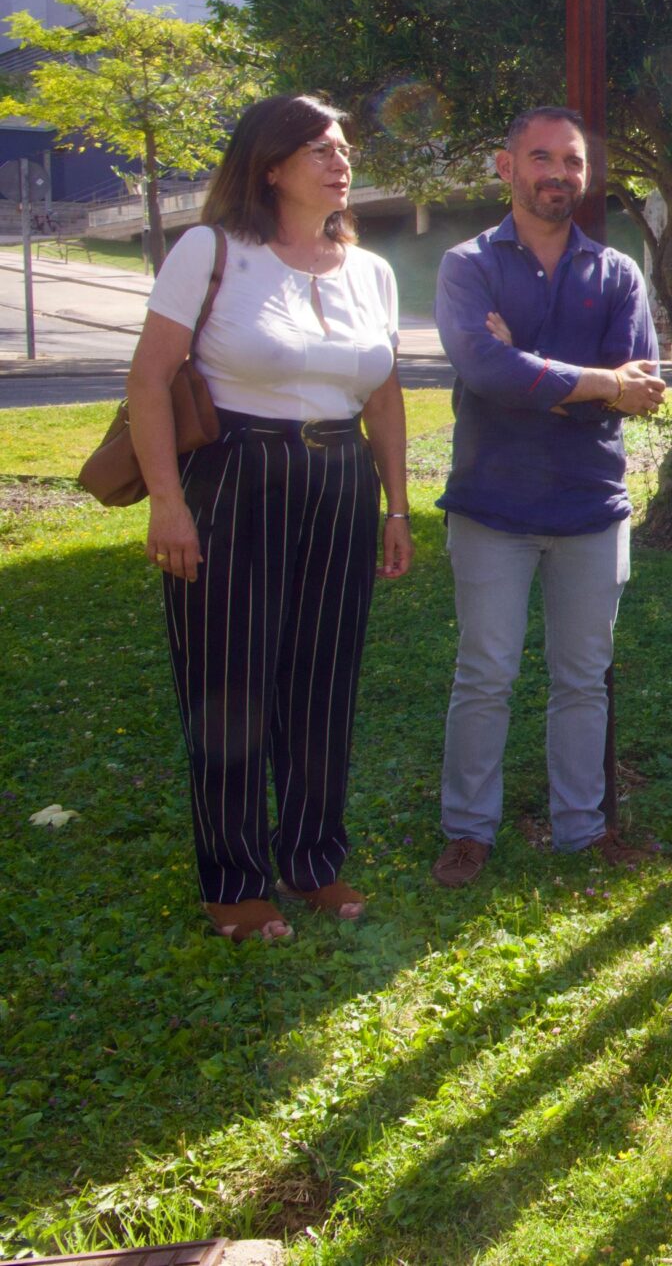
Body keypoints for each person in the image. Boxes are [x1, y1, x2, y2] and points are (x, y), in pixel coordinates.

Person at [130, 95, 411, 942]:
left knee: (322, 682)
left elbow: (386, 392)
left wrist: (397, 505)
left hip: (340, 481)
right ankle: (235, 879)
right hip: (234, 475)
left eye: (344, 146)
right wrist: (169, 504)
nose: (339, 159)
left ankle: (312, 859)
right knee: (229, 682)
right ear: (270, 165)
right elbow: (149, 383)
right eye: (317, 147)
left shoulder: (372, 271)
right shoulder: (211, 251)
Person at [430, 107, 664, 889]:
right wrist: (594, 382)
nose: (557, 174)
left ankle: (581, 829)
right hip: (491, 507)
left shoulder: (619, 273)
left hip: (591, 507)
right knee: (486, 673)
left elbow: (646, 391)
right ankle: (468, 831)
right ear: (506, 166)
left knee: (583, 675)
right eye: (541, 158)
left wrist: (525, 370)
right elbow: (484, 373)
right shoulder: (468, 265)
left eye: (571, 160)